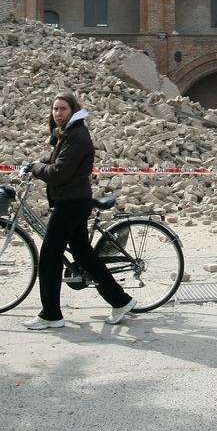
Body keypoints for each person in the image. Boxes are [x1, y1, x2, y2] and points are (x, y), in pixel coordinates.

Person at [23, 93, 137, 330]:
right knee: (83, 254)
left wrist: (37, 168)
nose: (57, 113)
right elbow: (55, 157)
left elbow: (59, 172)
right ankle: (121, 300)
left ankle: (51, 314)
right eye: (54, 109)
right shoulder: (68, 133)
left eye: (62, 109)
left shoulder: (77, 135)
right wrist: (35, 162)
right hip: (73, 200)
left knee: (49, 256)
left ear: (73, 110)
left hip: (71, 202)